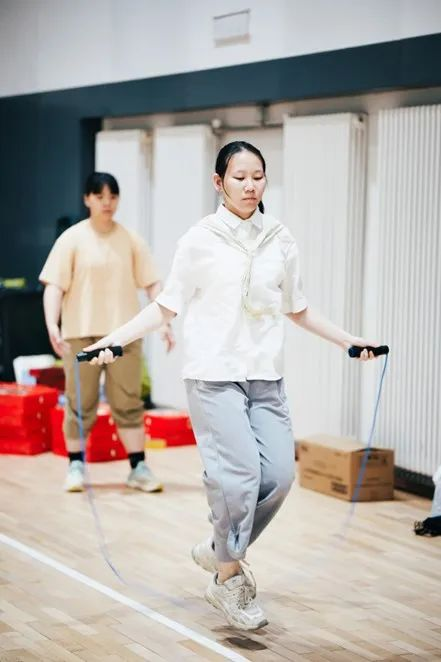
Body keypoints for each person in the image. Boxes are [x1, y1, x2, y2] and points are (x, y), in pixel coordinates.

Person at [83, 142, 381, 630]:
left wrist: (350, 340)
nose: (250, 185)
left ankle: (219, 548)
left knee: (278, 478)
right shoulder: (199, 240)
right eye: (239, 177)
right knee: (238, 479)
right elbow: (166, 306)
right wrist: (114, 340)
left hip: (266, 377)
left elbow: (298, 308)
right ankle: (228, 579)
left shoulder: (280, 238)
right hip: (213, 376)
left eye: (258, 176)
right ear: (218, 182)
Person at [39, 172, 174, 493]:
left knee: (128, 401)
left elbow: (153, 284)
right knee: (79, 402)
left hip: (123, 335)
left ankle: (138, 467)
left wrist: (165, 322)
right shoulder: (71, 239)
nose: (107, 203)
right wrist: (52, 324)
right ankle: (75, 466)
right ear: (87, 199)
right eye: (99, 196)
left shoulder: (130, 239)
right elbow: (54, 286)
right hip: (80, 334)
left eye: (112, 197)